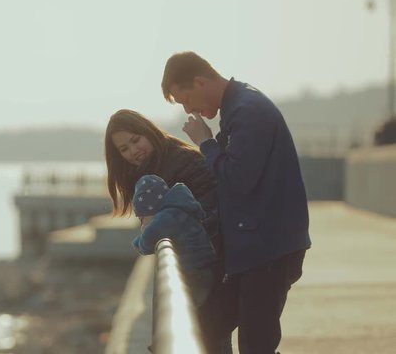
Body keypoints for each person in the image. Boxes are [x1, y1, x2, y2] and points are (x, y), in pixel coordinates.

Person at [161, 51, 312, 353]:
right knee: (204, 326)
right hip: (253, 249)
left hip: (267, 250)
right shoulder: (239, 106)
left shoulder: (247, 111)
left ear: (200, 81)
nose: (188, 109)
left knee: (255, 345)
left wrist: (206, 142)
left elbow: (240, 179)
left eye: (185, 99)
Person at [104, 110, 230, 353]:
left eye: (135, 140)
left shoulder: (180, 161)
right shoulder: (155, 164)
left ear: (148, 132)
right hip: (199, 261)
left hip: (209, 262)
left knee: (209, 337)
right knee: (205, 335)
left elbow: (209, 209)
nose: (133, 151)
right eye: (124, 149)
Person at [132, 174, 231, 354]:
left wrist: (139, 238)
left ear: (150, 208)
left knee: (181, 311)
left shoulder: (166, 218)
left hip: (195, 273)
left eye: (141, 217)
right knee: (196, 313)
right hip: (205, 268)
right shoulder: (179, 211)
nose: (142, 222)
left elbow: (146, 244)